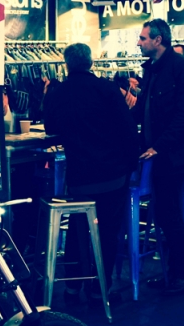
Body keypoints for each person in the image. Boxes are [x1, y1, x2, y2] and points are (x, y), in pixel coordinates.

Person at [43, 43, 138, 305]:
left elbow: (50, 127)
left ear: (66, 64)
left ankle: (72, 287)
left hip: (79, 178)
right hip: (111, 176)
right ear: (91, 63)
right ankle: (99, 290)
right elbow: (128, 130)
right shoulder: (107, 89)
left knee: (77, 229)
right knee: (107, 233)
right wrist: (130, 166)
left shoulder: (58, 93)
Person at [134, 19, 184, 296]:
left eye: (143, 38)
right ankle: (173, 273)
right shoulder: (152, 69)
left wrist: (159, 146)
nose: (139, 42)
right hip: (160, 153)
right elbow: (143, 110)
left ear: (158, 40)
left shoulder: (182, 67)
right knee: (165, 214)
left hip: (173, 154)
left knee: (170, 214)